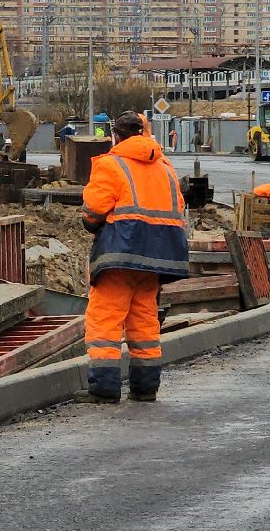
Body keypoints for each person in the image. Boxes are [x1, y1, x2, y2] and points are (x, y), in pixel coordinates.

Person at [81, 111, 191, 403]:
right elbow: (177, 206)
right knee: (144, 321)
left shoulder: (111, 164)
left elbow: (94, 210)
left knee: (105, 321)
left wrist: (91, 223)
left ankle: (104, 388)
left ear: (116, 135)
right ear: (144, 133)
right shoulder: (165, 166)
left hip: (120, 254)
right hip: (158, 257)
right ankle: (145, 388)